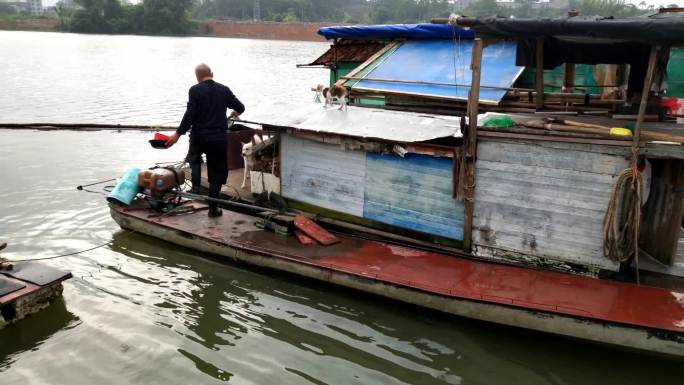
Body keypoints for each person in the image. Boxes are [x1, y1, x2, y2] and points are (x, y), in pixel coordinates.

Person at [166, 63, 245, 217]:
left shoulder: (194, 90)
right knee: (216, 173)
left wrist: (177, 134)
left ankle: (195, 190)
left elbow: (190, 115)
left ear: (197, 77)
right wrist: (235, 112)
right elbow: (240, 106)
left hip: (199, 137)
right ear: (212, 74)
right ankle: (213, 209)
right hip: (218, 139)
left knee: (194, 160)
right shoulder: (224, 89)